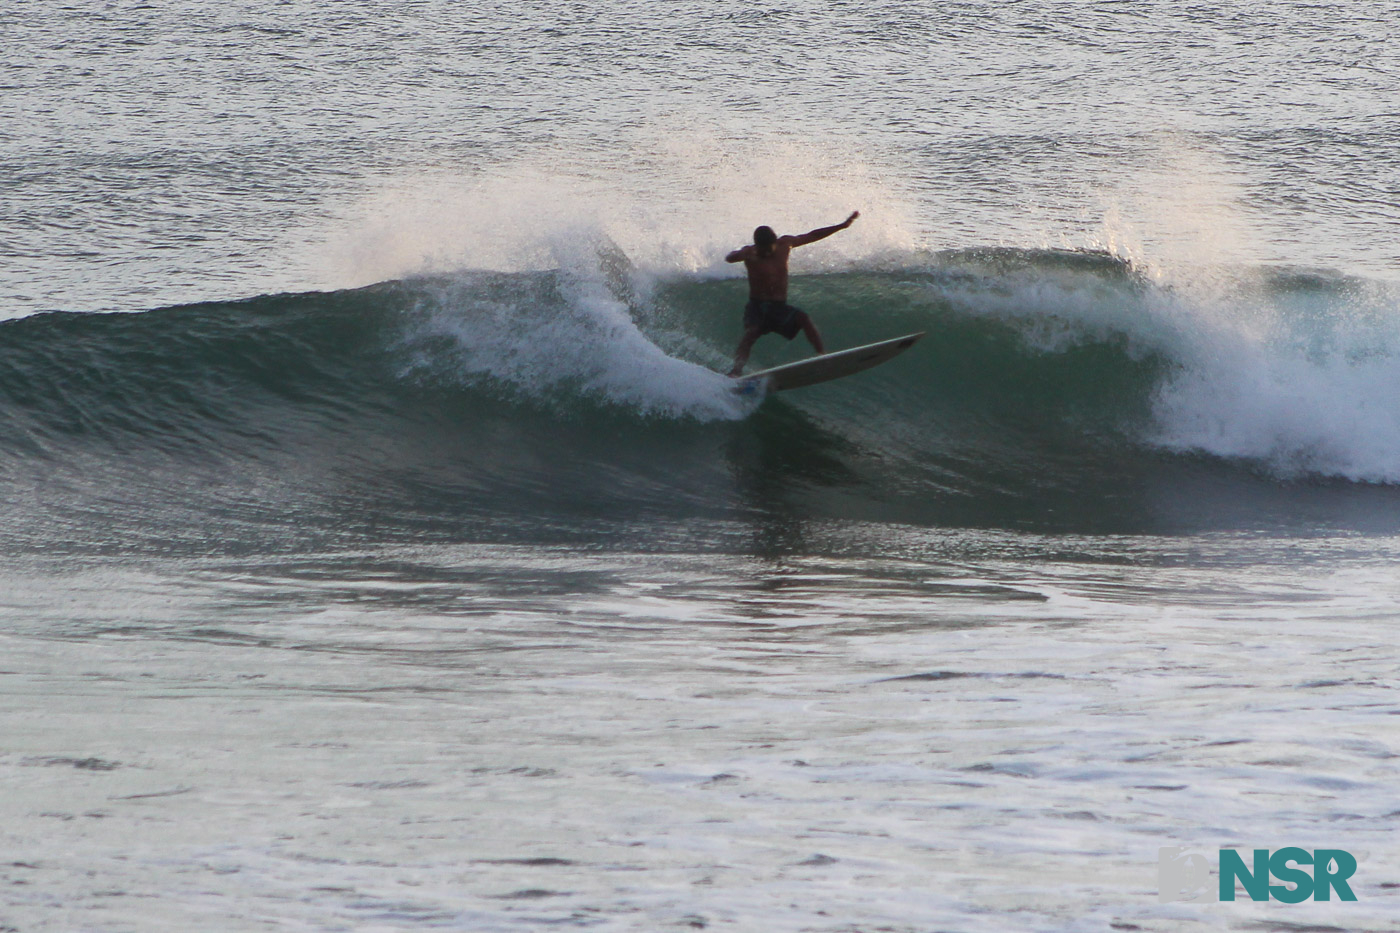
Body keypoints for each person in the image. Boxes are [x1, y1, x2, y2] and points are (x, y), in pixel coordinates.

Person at [724, 210, 859, 377]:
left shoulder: (785, 245)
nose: (766, 253)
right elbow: (729, 258)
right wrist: (739, 254)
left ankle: (822, 356)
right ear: (756, 246)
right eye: (762, 249)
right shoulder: (749, 253)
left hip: (778, 307)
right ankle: (736, 371)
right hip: (757, 306)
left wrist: (842, 226)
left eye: (769, 248)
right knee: (750, 334)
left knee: (804, 319)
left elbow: (813, 235)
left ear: (775, 242)